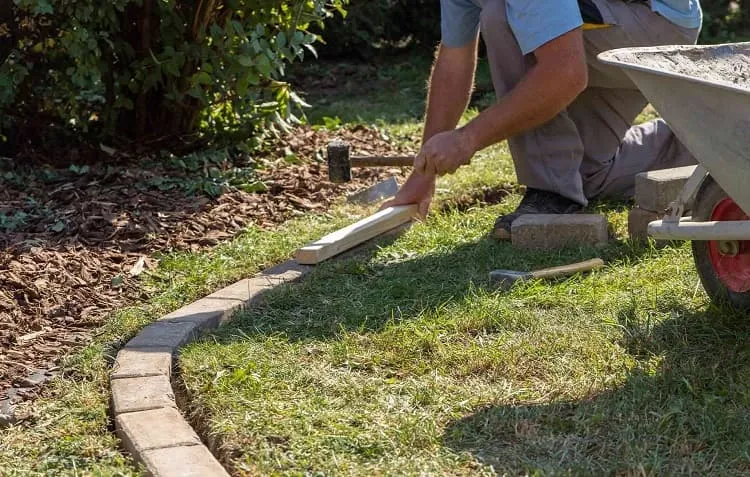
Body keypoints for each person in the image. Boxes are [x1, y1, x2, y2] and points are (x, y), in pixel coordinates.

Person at [383, 0, 702, 238]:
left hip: (653, 23)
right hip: (615, 18)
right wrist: (422, 176)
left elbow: (565, 74)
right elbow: (454, 62)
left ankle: (550, 190)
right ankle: (705, 142)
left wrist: (467, 139)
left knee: (502, 13)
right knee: (584, 175)